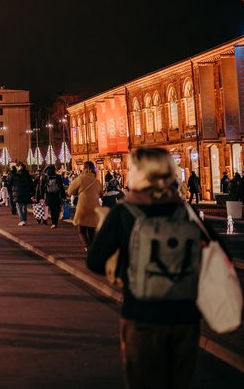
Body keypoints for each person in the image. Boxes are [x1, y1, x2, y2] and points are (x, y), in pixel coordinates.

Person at [86, 148, 227, 389]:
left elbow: (95, 260)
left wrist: (130, 271)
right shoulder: (185, 211)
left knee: (143, 381)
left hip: (142, 313)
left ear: (139, 173)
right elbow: (218, 254)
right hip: (185, 315)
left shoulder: (124, 210)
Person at [66, 160, 102, 251]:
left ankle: (88, 246)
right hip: (95, 206)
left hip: (83, 206)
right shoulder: (96, 181)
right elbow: (101, 193)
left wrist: (77, 192)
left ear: (84, 168)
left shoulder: (80, 178)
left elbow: (70, 191)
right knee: (92, 229)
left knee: (81, 229)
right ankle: (93, 247)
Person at [12, 162, 34, 226]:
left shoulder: (16, 175)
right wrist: (32, 193)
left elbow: (11, 183)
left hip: (17, 193)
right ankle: (24, 219)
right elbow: (31, 185)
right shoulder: (28, 175)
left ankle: (22, 220)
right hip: (26, 193)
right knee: (24, 206)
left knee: (19, 207)